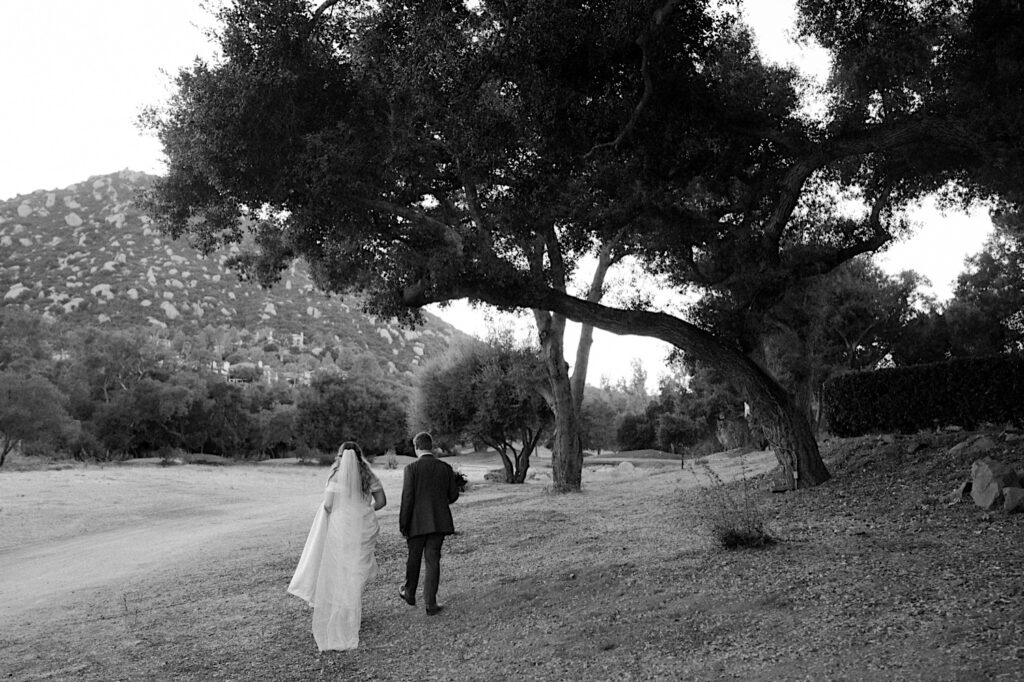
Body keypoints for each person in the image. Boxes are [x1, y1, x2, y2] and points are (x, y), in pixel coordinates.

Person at [288, 442, 386, 651]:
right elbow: (382, 501)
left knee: (340, 568)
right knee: (357, 569)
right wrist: (365, 510)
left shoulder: (335, 476)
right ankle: (352, 609)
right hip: (364, 526)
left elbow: (329, 505)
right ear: (360, 456)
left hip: (342, 527)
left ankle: (344, 611)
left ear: (340, 456)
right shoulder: (369, 475)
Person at [398, 431, 460, 616]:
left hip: (416, 523)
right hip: (438, 521)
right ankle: (430, 604)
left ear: (416, 447)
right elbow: (453, 495)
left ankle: (409, 592)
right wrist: (440, 503)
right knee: (433, 560)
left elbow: (407, 498)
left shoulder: (411, 469)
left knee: (414, 558)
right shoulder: (445, 468)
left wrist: (403, 524)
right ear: (431, 446)